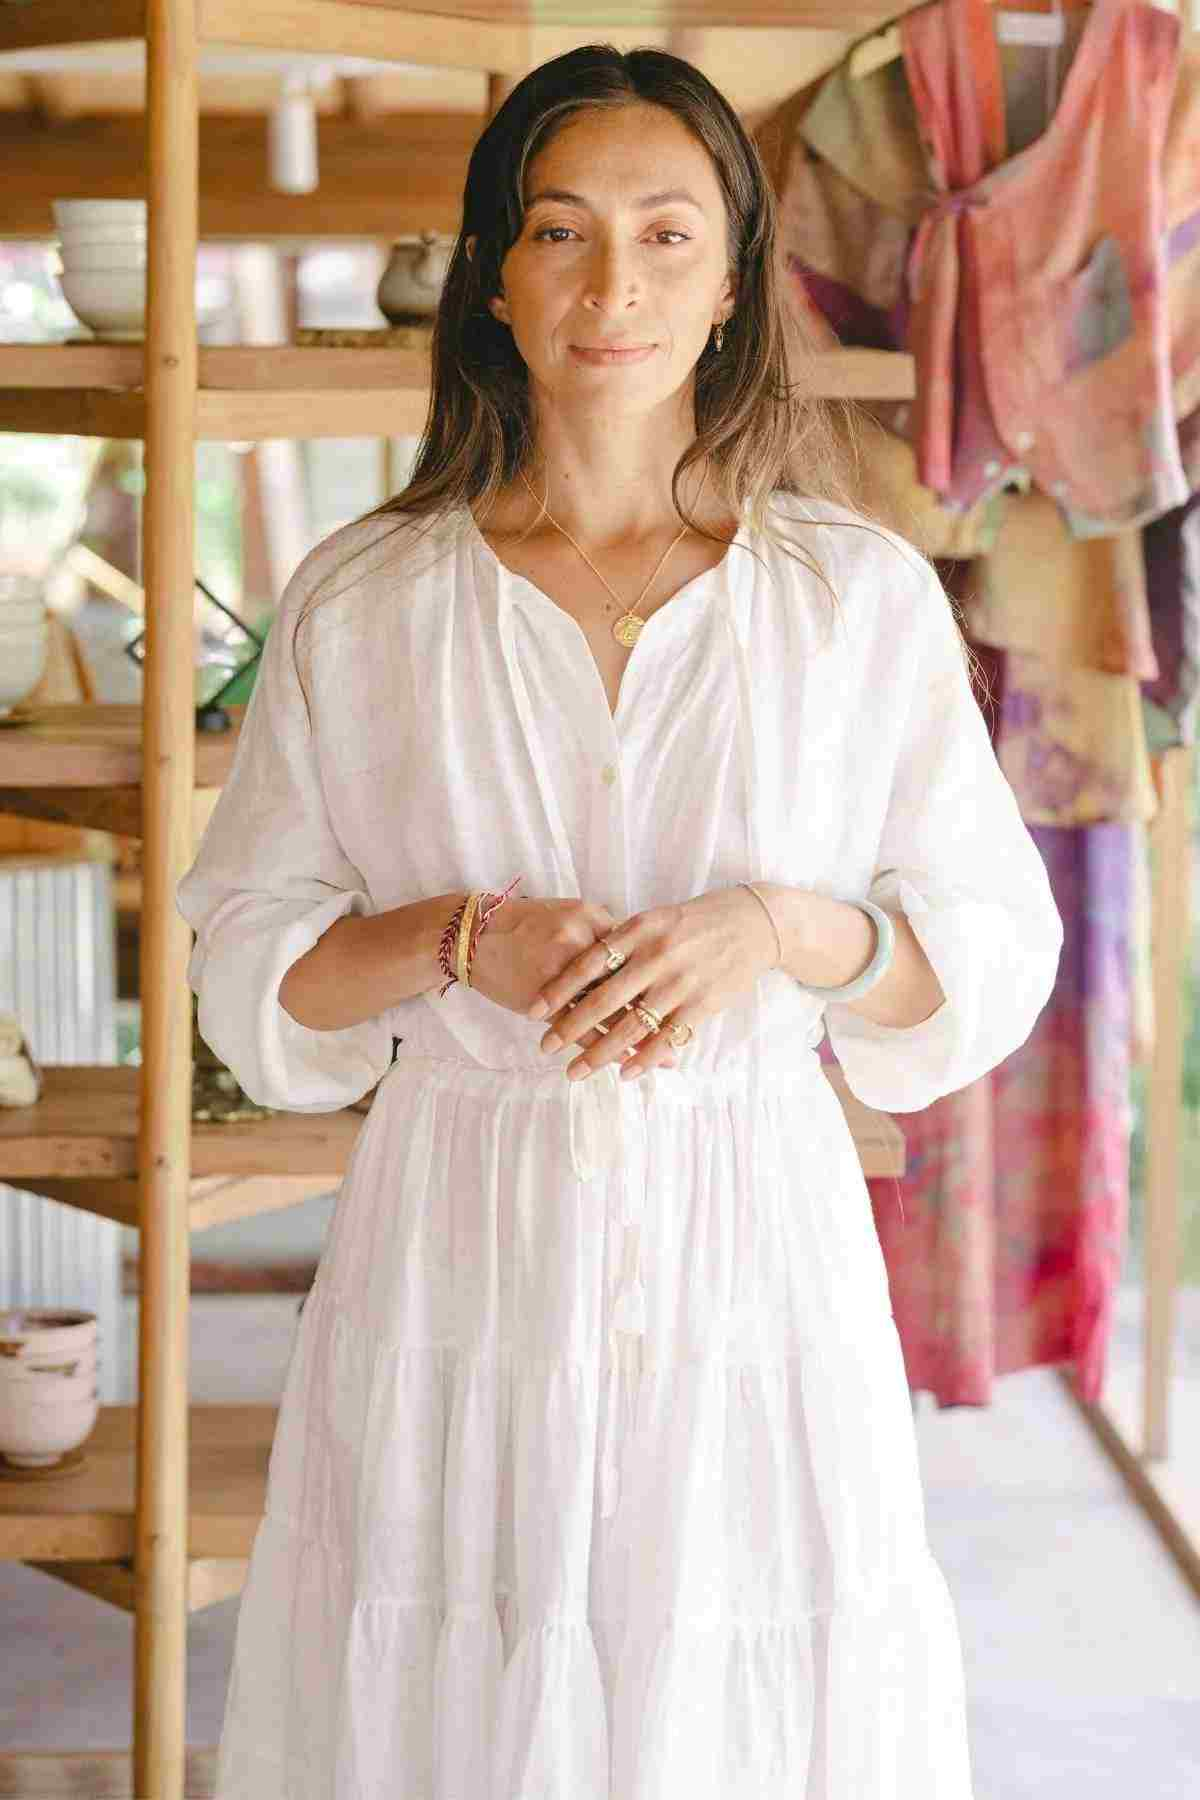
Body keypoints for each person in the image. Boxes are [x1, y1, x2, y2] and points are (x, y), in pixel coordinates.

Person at [176, 43, 1063, 1800]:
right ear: (493, 272)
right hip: (460, 1238)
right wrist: (451, 934)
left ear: (732, 282)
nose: (615, 285)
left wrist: (779, 932)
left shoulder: (851, 597)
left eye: (668, 236)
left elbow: (989, 949)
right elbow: (245, 977)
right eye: (564, 232)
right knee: (447, 1685)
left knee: (744, 1698)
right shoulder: (366, 600)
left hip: (752, 1243)